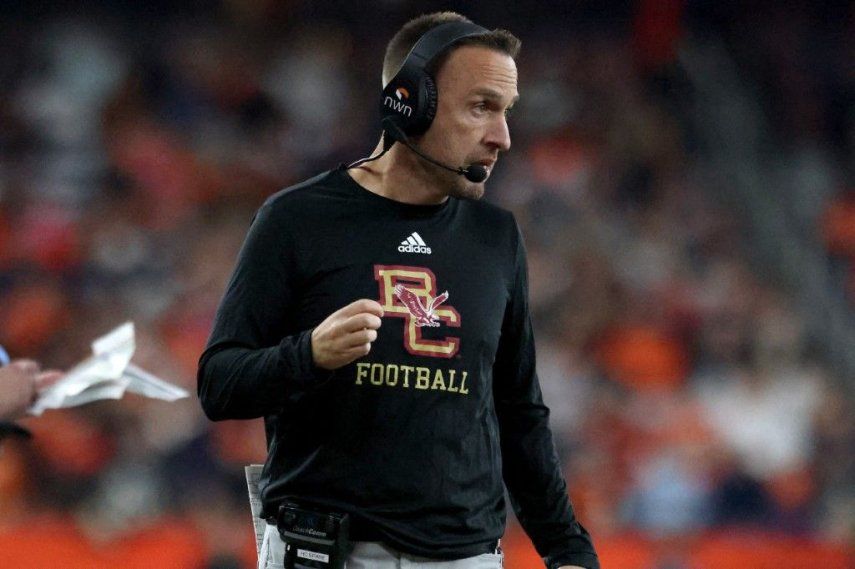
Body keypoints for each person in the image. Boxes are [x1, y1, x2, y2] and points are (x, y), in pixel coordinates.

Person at [198, 11, 599, 569]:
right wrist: (307, 355)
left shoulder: (496, 236)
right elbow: (219, 385)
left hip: (468, 558)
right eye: (481, 107)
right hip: (323, 554)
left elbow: (518, 411)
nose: (502, 137)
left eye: (506, 112)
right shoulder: (296, 219)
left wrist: (568, 550)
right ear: (409, 103)